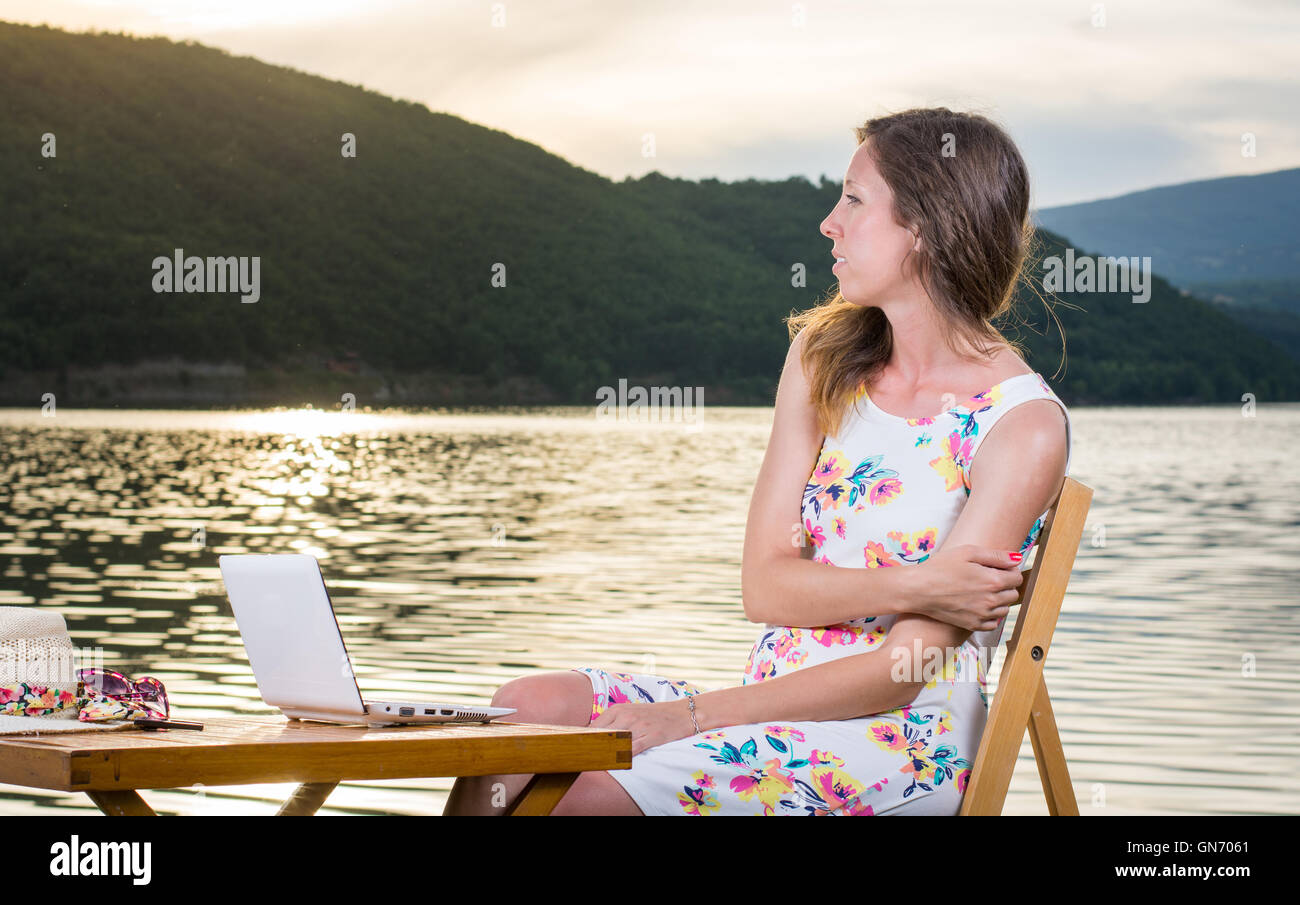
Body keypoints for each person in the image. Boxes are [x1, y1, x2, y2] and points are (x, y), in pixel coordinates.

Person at [444, 107, 1072, 816]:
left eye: (854, 200)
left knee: (583, 795)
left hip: (894, 738)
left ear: (924, 227)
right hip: (762, 701)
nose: (829, 223)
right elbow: (764, 588)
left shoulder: (1020, 425)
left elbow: (901, 669)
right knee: (522, 709)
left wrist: (692, 716)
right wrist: (921, 581)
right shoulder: (823, 358)